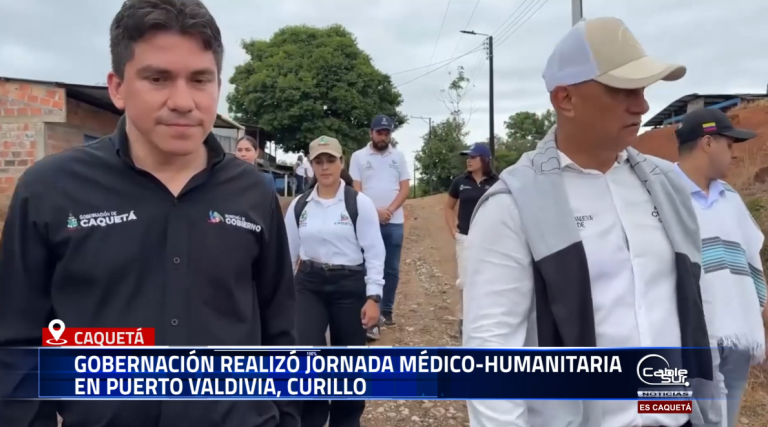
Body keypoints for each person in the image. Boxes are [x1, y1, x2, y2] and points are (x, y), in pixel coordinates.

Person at [0, 1, 298, 426]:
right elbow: (18, 345)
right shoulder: (49, 190)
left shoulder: (253, 192)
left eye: (200, 79)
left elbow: (280, 326)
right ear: (118, 87)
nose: (182, 101)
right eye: (158, 78)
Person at [463, 17, 718, 427]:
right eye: (622, 90)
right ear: (565, 99)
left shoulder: (666, 186)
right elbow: (490, 352)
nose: (642, 105)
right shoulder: (512, 205)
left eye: (643, 89)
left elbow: (692, 313)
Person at [674, 108, 767, 427]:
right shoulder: (662, 194)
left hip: (738, 340)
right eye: (730, 145)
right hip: (688, 343)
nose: (735, 155)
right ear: (708, 143)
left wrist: (764, 318)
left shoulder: (730, 198)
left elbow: (752, 265)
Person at [284, 136, 385, 427]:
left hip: (349, 285)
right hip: (309, 283)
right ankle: (312, 419)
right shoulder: (300, 205)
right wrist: (284, 295)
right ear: (311, 164)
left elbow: (375, 251)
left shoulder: (358, 203)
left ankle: (346, 420)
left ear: (341, 162)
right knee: (306, 353)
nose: (325, 167)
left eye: (331, 160)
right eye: (319, 161)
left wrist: (374, 297)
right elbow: (289, 253)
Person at [350, 114, 410, 340]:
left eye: (386, 133)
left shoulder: (399, 156)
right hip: (367, 220)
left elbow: (404, 188)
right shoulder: (358, 157)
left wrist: (390, 210)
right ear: (371, 133)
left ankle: (386, 310)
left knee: (391, 268)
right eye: (379, 132)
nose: (383, 136)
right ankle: (367, 312)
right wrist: (373, 212)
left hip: (394, 221)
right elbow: (356, 189)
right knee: (366, 266)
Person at [445, 142, 497, 338]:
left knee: (488, 278)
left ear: (484, 160)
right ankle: (464, 319)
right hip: (465, 237)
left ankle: (486, 319)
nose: (468, 160)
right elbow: (448, 207)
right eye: (468, 157)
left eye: (473, 157)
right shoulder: (460, 182)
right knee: (465, 280)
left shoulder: (496, 183)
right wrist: (453, 229)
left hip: (489, 240)